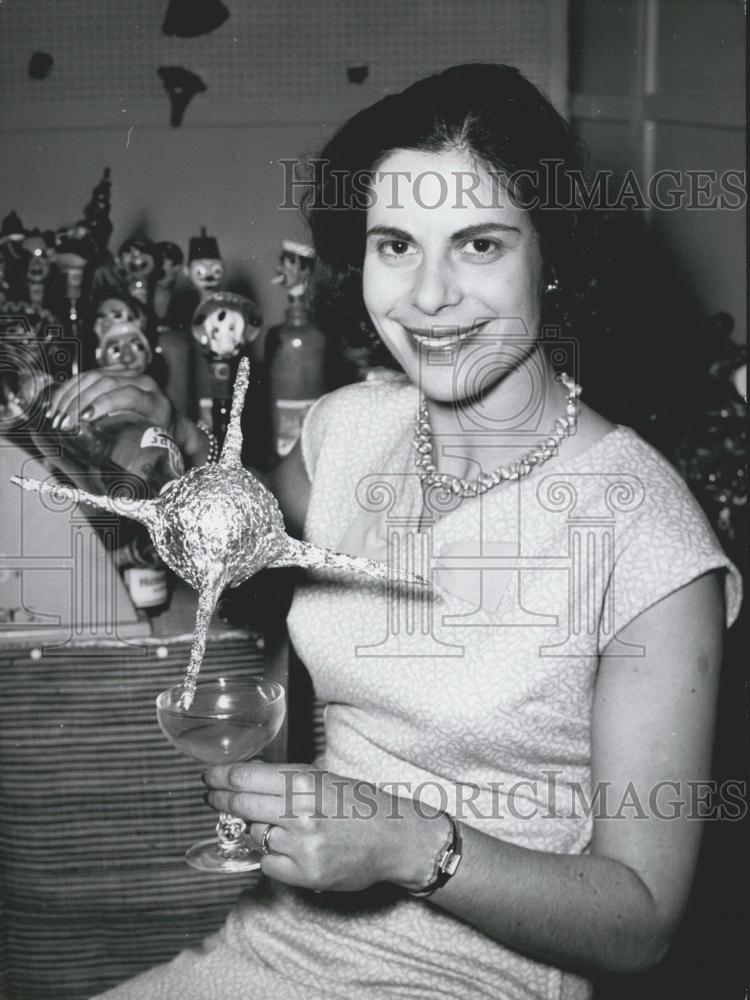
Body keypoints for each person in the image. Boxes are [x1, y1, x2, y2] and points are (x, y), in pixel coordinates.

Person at [45, 64, 741, 1000]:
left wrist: (411, 845)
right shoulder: (348, 429)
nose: (429, 295)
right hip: (275, 950)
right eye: (395, 245)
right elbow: (223, 579)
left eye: (480, 244)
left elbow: (645, 918)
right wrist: (153, 455)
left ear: (555, 253)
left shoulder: (648, 535)